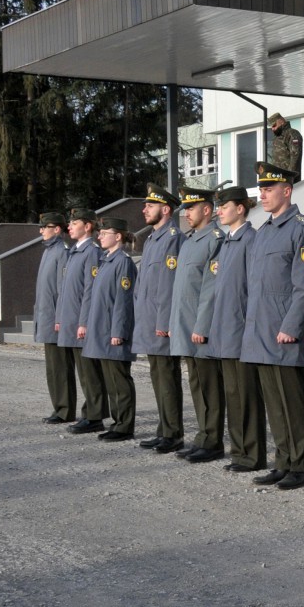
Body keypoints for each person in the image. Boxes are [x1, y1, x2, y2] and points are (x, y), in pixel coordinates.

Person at [242, 162, 304, 491]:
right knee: (274, 403)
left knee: (292, 402)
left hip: (285, 332)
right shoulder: (263, 231)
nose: (262, 195)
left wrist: (292, 325)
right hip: (261, 330)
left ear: (287, 191)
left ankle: (300, 466)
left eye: (268, 189)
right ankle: (283, 461)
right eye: (261, 190)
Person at [206, 187, 268, 473]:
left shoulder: (249, 239)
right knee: (233, 395)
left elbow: (252, 289)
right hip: (225, 329)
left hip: (241, 330)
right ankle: (239, 451)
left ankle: (252, 455)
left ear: (240, 209)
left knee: (246, 396)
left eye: (224, 206)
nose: (219, 211)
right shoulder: (228, 241)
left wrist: (248, 328)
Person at [169, 188, 226, 463]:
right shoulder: (190, 241)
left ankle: (212, 441)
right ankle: (203, 437)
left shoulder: (215, 240)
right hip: (186, 325)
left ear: (206, 209)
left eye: (191, 208)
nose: (186, 213)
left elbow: (211, 289)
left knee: (209, 387)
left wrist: (202, 326)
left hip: (202, 328)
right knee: (196, 385)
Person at [133, 184, 185, 455]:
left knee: (167, 379)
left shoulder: (172, 238)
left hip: (161, 323)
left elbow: (169, 285)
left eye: (150, 205)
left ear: (165, 210)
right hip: (150, 320)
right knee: (158, 377)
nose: (145, 209)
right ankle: (163, 430)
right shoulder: (153, 239)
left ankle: (173, 434)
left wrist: (165, 322)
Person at [81, 217, 139, 442]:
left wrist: (118, 332)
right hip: (102, 331)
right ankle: (117, 423)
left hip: (113, 333)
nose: (100, 236)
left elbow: (124, 301)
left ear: (118, 236)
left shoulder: (123, 262)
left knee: (119, 382)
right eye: (100, 233)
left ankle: (124, 426)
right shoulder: (106, 260)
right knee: (111, 382)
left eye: (105, 233)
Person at [55, 208, 108, 434]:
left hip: (81, 321)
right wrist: (60, 318)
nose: (69, 227)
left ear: (87, 226)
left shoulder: (92, 252)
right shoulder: (75, 252)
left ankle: (95, 416)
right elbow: (66, 290)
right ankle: (90, 413)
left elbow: (90, 290)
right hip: (71, 320)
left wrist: (84, 322)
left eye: (74, 223)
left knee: (90, 373)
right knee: (83, 371)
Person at [34, 211, 76, 425]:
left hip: (55, 320)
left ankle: (65, 410)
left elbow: (62, 289)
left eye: (45, 227)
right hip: (46, 317)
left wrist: (60, 318)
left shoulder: (62, 251)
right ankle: (59, 407)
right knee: (53, 368)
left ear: (57, 229)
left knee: (61, 368)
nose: (41, 231)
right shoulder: (48, 251)